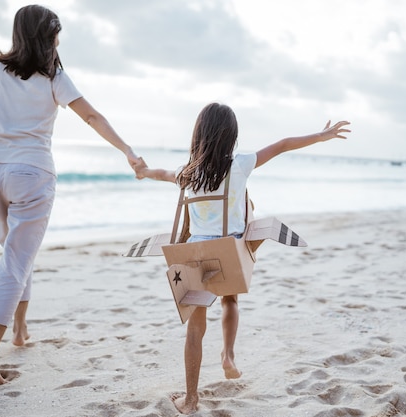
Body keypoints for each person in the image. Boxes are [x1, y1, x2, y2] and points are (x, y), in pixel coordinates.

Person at [0, 5, 144, 386]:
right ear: (47, 37)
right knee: (17, 259)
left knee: (15, 254)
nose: (59, 40)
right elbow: (92, 116)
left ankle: (20, 329)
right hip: (31, 174)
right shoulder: (53, 77)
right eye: (56, 34)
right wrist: (127, 151)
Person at [134, 102, 350, 414]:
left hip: (194, 255)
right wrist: (321, 135)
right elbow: (283, 145)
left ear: (198, 135)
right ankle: (228, 355)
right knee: (230, 301)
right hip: (227, 251)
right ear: (231, 137)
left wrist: (143, 172)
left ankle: (191, 399)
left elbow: (162, 173)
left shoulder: (187, 173)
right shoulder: (240, 164)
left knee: (195, 328)